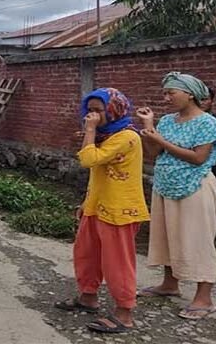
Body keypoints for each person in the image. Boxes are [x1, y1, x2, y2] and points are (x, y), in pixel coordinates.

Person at [54, 88, 149, 334]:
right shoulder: (107, 135)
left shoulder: (127, 137)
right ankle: (88, 297)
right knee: (86, 253)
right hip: (97, 206)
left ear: (114, 109)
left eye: (98, 110)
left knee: (117, 262)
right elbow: (96, 173)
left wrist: (89, 131)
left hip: (120, 209)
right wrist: (86, 203)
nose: (92, 116)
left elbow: (88, 160)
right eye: (90, 110)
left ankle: (124, 313)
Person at [136, 72, 216, 320]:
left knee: (198, 239)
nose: (166, 98)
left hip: (195, 186)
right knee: (167, 235)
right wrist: (149, 127)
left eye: (171, 93)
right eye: (165, 93)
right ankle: (169, 284)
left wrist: (161, 140)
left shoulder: (208, 122)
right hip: (165, 185)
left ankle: (204, 298)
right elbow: (153, 153)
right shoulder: (167, 121)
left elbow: (198, 158)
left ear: (190, 94)